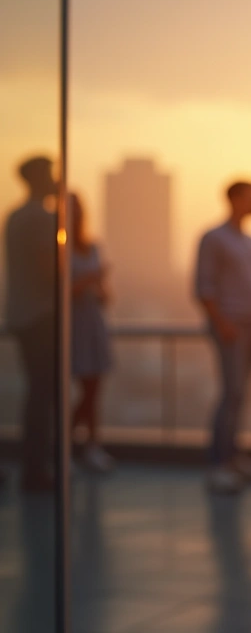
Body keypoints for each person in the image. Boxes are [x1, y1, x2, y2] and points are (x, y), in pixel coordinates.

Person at [194, 180, 251, 494]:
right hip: (232, 327)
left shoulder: (249, 242)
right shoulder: (213, 239)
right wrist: (222, 323)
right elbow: (203, 287)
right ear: (235, 200)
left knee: (241, 393)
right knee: (231, 392)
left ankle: (233, 457)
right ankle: (218, 464)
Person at [4, 156, 58, 492]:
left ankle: (34, 466)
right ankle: (35, 469)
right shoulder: (40, 217)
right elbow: (45, 268)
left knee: (37, 394)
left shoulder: (15, 216)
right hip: (40, 317)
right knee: (42, 395)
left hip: (23, 315)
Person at [68, 193, 116, 473]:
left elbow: (105, 297)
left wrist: (100, 285)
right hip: (73, 326)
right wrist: (90, 278)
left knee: (94, 390)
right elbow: (63, 292)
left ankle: (91, 447)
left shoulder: (93, 247)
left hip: (93, 322)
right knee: (78, 390)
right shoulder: (61, 249)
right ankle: (65, 444)